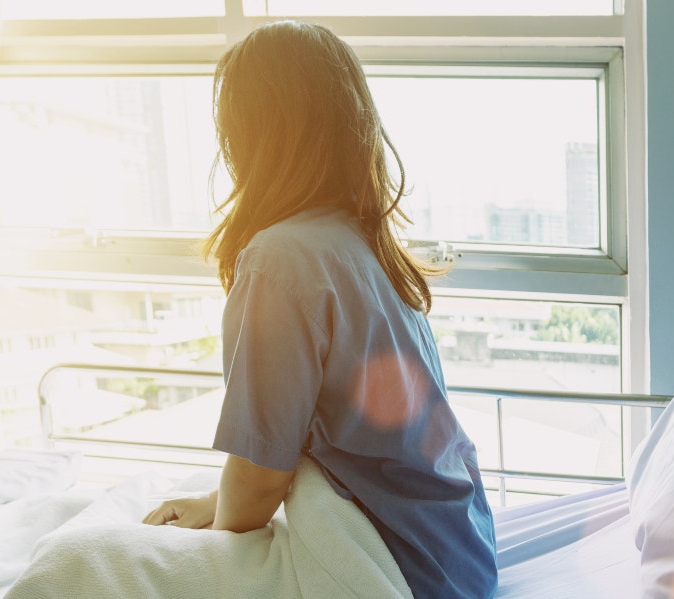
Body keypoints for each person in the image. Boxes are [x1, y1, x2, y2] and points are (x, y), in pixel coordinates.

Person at [142, 20, 498, 598]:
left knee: (77, 564)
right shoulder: (367, 244)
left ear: (251, 133)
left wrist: (210, 553)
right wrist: (214, 503)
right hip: (456, 554)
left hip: (397, 567)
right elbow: (348, 451)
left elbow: (261, 480)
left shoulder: (280, 258)